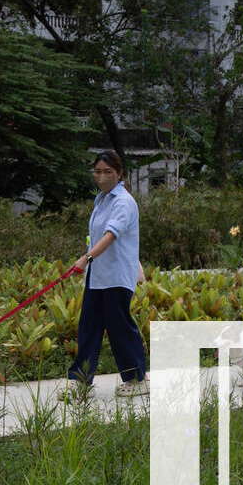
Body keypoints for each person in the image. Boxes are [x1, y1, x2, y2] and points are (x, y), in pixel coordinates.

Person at [64, 150, 148, 397]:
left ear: (119, 173)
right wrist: (88, 261)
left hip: (116, 276)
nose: (101, 177)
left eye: (107, 172)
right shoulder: (101, 199)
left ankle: (136, 379)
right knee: (88, 327)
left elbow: (111, 235)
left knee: (119, 327)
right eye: (98, 172)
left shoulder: (123, 201)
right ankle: (81, 381)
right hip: (97, 275)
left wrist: (86, 257)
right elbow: (97, 236)